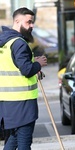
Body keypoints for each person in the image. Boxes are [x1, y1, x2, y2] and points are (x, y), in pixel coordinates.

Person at [0, 7, 47, 149]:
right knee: (24, 143)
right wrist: (38, 64)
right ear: (17, 20)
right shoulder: (19, 43)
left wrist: (34, 66)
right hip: (23, 104)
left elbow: (16, 67)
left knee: (12, 140)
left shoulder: (5, 43)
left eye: (32, 22)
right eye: (29, 22)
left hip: (7, 103)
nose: (32, 25)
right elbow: (26, 70)